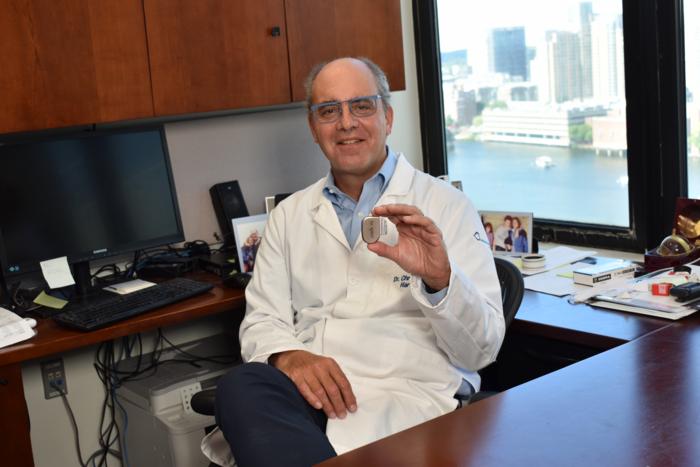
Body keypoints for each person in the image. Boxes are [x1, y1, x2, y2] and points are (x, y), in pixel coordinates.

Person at [205, 57, 505, 467]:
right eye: (329, 111)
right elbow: (262, 320)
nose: (346, 123)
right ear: (314, 128)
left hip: (406, 397)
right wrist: (289, 356)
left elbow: (482, 350)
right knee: (240, 386)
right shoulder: (289, 215)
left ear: (388, 116)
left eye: (361, 106)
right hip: (312, 395)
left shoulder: (446, 207)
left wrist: (439, 278)